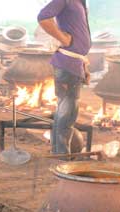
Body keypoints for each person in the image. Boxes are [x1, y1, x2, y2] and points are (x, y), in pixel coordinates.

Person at [37, 0, 90, 157]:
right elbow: (43, 17)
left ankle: (59, 153)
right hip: (67, 63)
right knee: (67, 111)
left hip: (75, 62)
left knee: (68, 111)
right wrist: (62, 38)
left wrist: (84, 66)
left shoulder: (79, 2)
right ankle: (61, 156)